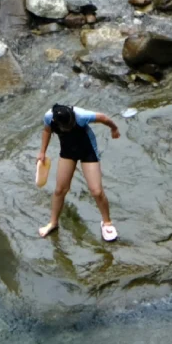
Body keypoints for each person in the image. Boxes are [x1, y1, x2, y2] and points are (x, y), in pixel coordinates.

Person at [36, 103, 120, 242]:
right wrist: (42, 152)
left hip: (87, 150)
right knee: (60, 190)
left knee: (96, 191)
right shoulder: (49, 117)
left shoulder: (82, 116)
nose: (69, 127)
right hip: (68, 151)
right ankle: (53, 222)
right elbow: (46, 131)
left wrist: (114, 129)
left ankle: (107, 223)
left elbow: (104, 118)